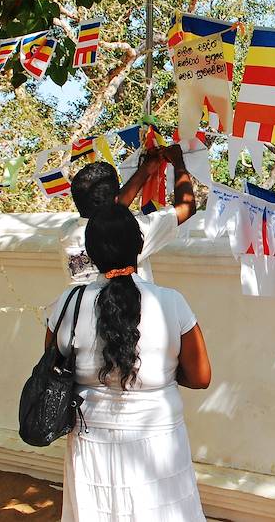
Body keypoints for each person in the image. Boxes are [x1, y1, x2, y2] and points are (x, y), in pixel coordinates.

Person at [46, 204, 211, 521]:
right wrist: (158, 373)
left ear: (90, 252)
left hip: (90, 435)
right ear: (139, 245)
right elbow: (200, 376)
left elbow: (54, 365)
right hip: (158, 435)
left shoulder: (68, 303)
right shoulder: (171, 301)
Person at [61, 144, 196, 285]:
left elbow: (111, 210)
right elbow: (187, 207)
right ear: (116, 199)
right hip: (131, 305)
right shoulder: (130, 231)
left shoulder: (66, 232)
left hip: (81, 304)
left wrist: (146, 168)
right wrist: (178, 162)